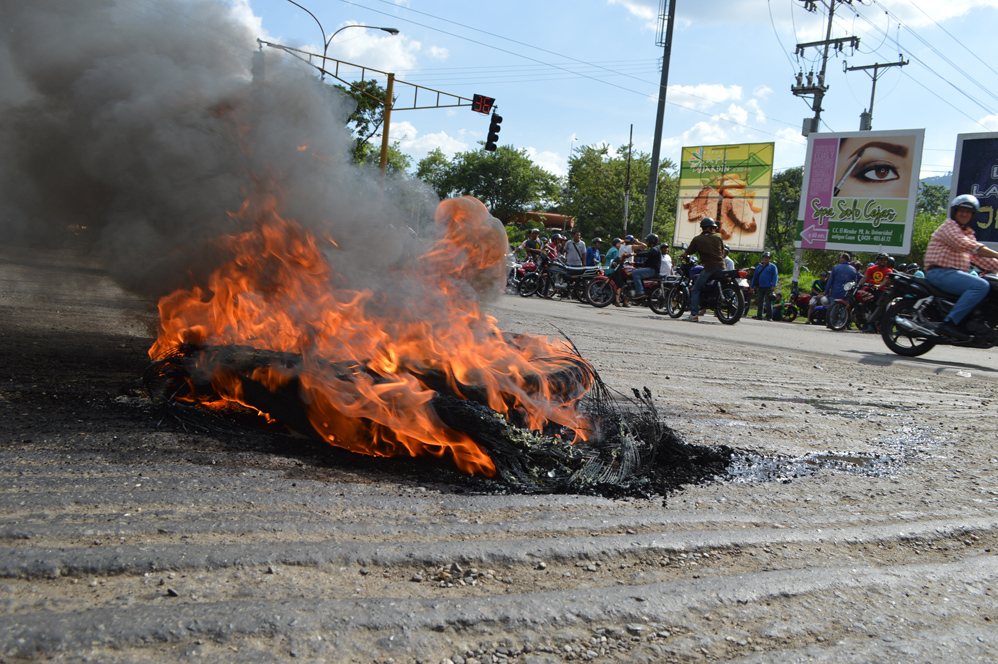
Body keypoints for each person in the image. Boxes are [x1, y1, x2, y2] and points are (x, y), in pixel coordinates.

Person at [922, 194, 998, 340]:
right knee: (981, 286)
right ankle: (950, 324)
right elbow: (967, 245)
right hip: (940, 272)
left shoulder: (967, 233)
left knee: (990, 285)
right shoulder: (949, 227)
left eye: (968, 212)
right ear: (954, 212)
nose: (964, 214)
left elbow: (980, 258)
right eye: (961, 211)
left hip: (953, 275)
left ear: (972, 215)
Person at [682, 217, 726, 322]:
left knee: (696, 290)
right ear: (711, 227)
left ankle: (694, 315)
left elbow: (687, 252)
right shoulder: (718, 236)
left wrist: (683, 256)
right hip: (722, 266)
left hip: (709, 268)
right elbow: (722, 251)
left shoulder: (697, 239)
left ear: (703, 227)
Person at [629, 233, 661, 303]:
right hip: (651, 269)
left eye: (648, 241)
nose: (647, 242)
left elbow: (647, 254)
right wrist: (635, 263)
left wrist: (635, 254)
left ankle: (640, 292)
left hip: (653, 271)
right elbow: (647, 262)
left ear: (651, 241)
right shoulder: (653, 250)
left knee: (635, 273)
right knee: (635, 270)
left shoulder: (655, 249)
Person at [749, 251, 779, 320]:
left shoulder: (772, 267)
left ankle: (769, 316)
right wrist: (752, 286)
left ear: (769, 259)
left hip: (768, 287)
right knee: (760, 301)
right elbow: (755, 277)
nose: (766, 259)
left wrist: (774, 285)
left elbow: (775, 276)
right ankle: (759, 315)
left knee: (768, 302)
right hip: (760, 286)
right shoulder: (759, 267)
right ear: (763, 258)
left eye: (768, 258)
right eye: (765, 258)